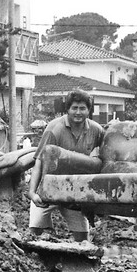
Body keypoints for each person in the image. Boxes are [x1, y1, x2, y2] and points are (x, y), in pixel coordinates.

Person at [28, 90, 105, 242]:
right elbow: (38, 160)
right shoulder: (54, 128)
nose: (78, 112)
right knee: (35, 232)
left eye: (82, 108)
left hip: (75, 192)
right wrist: (32, 193)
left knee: (82, 239)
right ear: (67, 109)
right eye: (74, 108)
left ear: (89, 110)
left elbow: (104, 158)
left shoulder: (96, 131)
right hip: (49, 188)